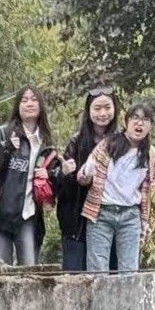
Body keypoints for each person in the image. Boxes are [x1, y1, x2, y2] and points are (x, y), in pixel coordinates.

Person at [78, 103, 155, 273]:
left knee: (129, 272)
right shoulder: (108, 145)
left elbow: (148, 191)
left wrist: (145, 221)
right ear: (126, 122)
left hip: (130, 216)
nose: (139, 123)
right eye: (135, 118)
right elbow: (83, 178)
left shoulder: (150, 155)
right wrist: (86, 172)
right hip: (101, 213)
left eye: (145, 120)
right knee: (97, 272)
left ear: (150, 125)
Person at [0, 85, 59, 266]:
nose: (29, 104)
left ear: (41, 105)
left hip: (29, 216)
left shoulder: (47, 141)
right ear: (17, 106)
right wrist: (6, 148)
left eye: (34, 99)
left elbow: (54, 186)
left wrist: (51, 174)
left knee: (30, 271)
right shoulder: (2, 133)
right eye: (24, 100)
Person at [56, 85, 120, 270]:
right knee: (76, 277)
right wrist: (67, 174)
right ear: (89, 111)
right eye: (97, 108)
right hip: (77, 222)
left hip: (111, 218)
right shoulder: (77, 142)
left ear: (115, 109)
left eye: (107, 108)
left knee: (112, 274)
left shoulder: (122, 141)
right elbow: (61, 188)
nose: (102, 113)